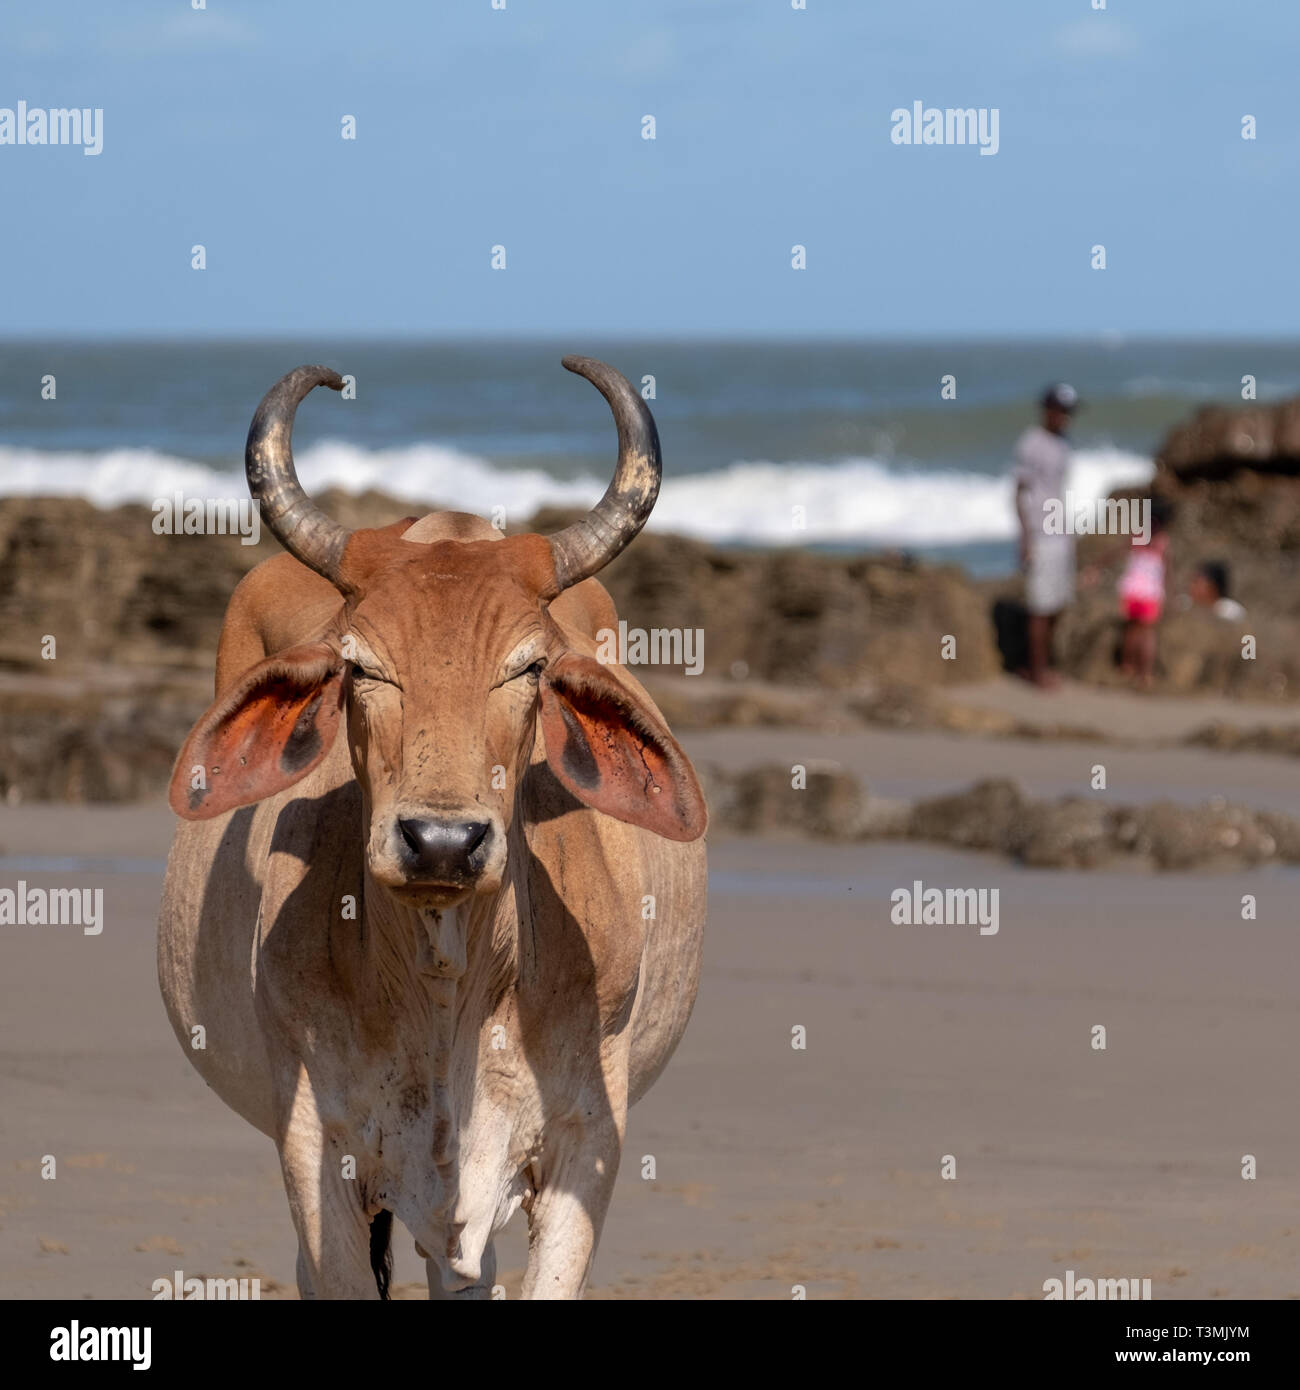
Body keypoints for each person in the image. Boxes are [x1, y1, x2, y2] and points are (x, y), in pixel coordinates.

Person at [1012, 384, 1079, 689]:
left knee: (1058, 603)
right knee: (1039, 607)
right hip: (1040, 534)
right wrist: (1026, 539)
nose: (1064, 417)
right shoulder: (1031, 443)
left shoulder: (1063, 443)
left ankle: (1041, 665)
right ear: (1047, 410)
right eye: (1060, 410)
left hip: (1060, 533)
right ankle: (1036, 672)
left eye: (1068, 412)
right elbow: (1018, 492)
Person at [1115, 498, 1172, 690]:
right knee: (1147, 635)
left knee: (1130, 631)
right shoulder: (1162, 541)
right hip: (1150, 593)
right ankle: (1145, 673)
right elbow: (1166, 569)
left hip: (1131, 590)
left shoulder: (1137, 535)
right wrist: (1169, 592)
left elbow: (1118, 551)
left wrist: (1096, 567)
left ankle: (1126, 666)